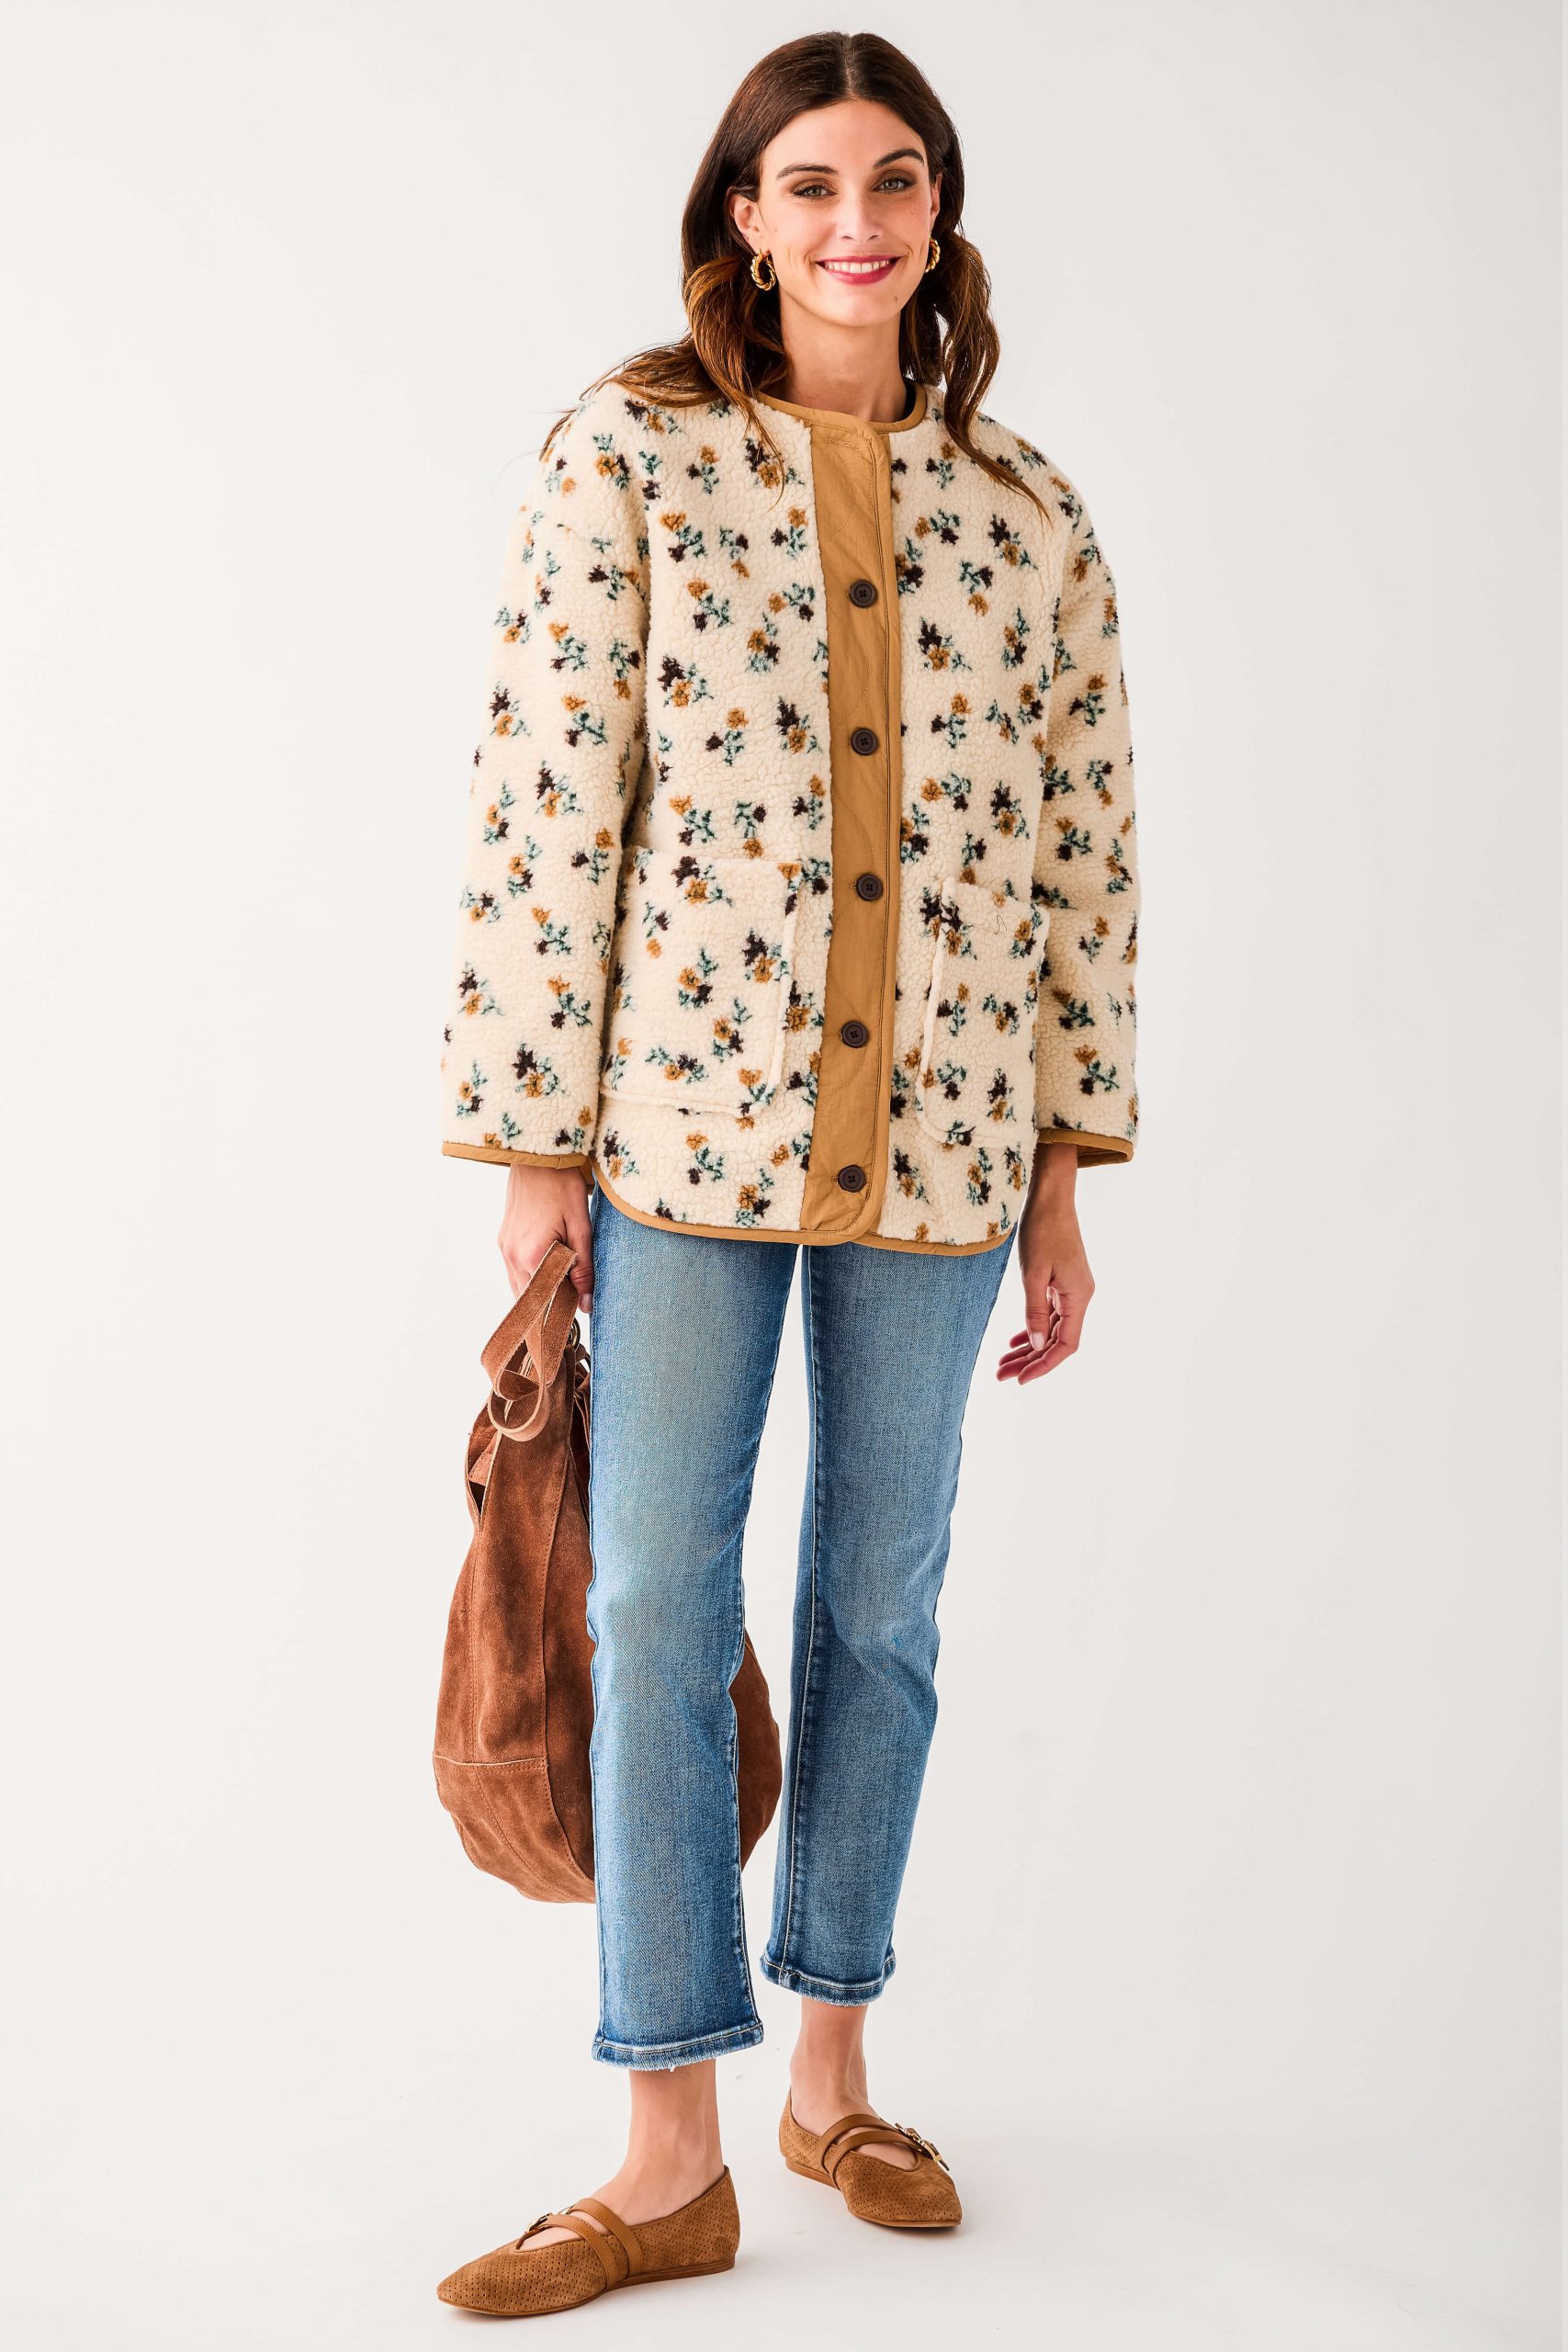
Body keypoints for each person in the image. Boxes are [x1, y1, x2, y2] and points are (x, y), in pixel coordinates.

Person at [435, 28, 1140, 2319]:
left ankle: (832, 2067)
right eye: (811, 181)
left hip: (946, 1143)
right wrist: (532, 1147)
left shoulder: (1024, 513)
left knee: (876, 1609)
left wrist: (1063, 1166)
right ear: (741, 215)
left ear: (939, 215)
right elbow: (549, 805)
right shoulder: (628, 458)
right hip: (676, 1135)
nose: (856, 220)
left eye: (895, 179)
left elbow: (1080, 859)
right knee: (653, 1603)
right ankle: (668, 2144)